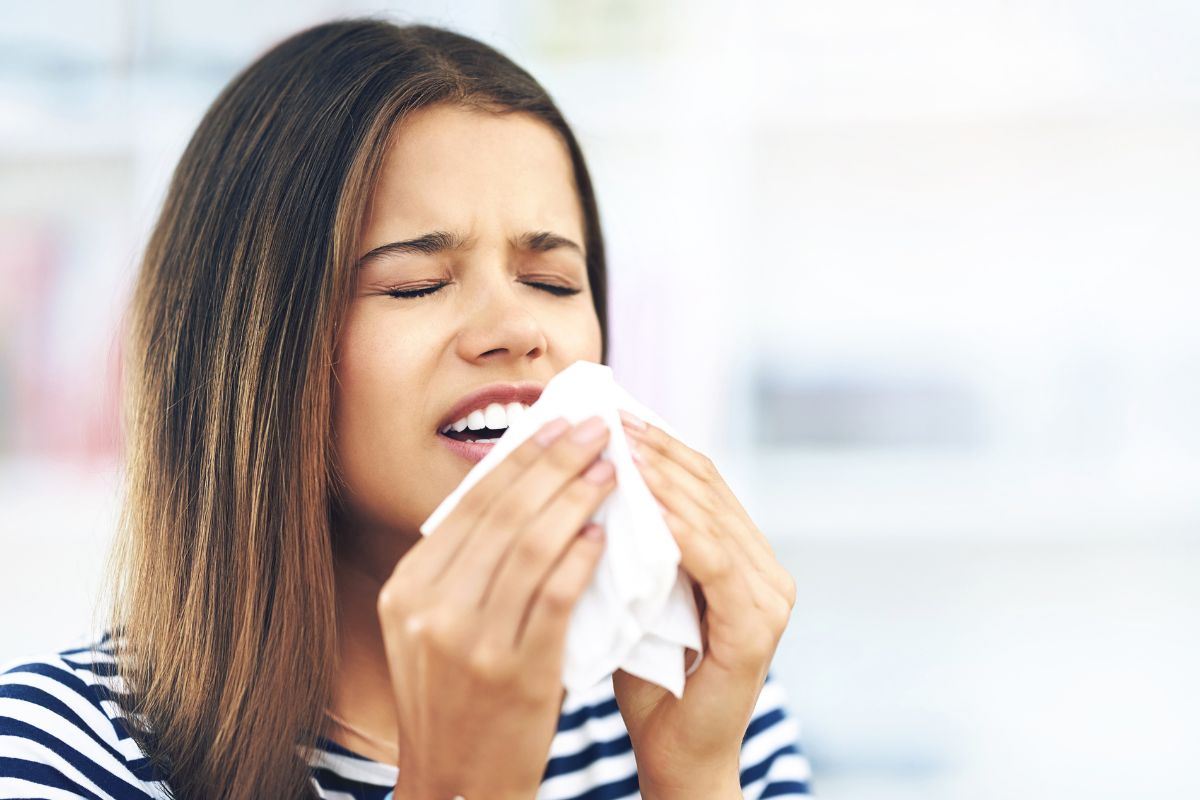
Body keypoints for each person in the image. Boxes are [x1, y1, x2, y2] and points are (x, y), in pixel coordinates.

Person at [0, 18, 814, 800]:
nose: (517, 330)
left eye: (553, 282)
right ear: (252, 349)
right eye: (415, 284)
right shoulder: (55, 753)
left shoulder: (697, 702)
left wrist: (692, 779)